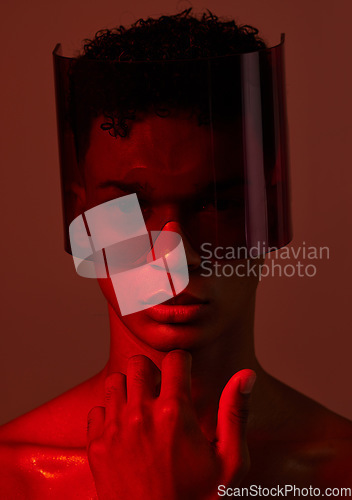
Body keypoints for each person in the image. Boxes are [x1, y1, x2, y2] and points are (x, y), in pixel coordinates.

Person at [0, 9, 351, 499]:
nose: (174, 255)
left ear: (269, 214)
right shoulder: (12, 475)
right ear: (80, 217)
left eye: (218, 203)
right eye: (129, 205)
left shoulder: (341, 472)